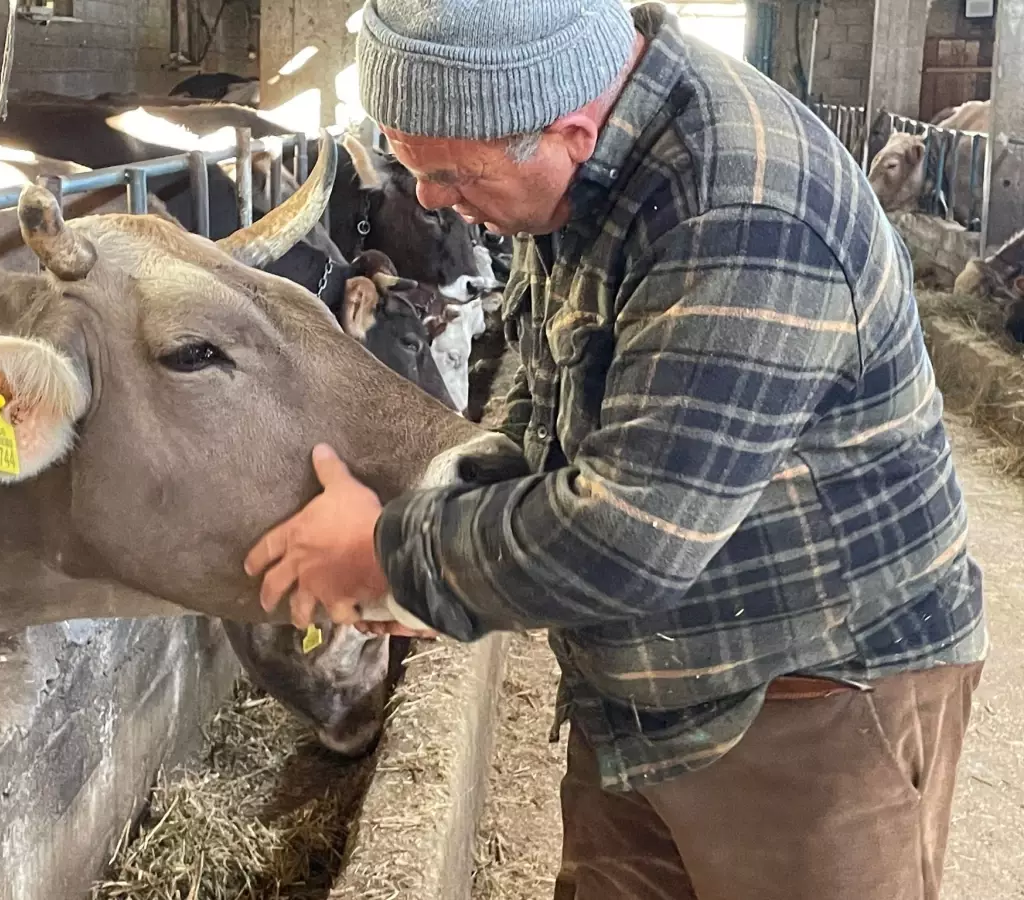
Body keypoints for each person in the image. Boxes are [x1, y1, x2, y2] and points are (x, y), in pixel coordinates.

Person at [243, 2, 989, 897]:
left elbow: (631, 539)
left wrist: (386, 553)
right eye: (411, 166)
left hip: (811, 699)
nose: (433, 203)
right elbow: (545, 367)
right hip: (645, 692)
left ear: (569, 130)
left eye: (450, 176)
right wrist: (449, 508)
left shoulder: (742, 211)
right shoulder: (572, 164)